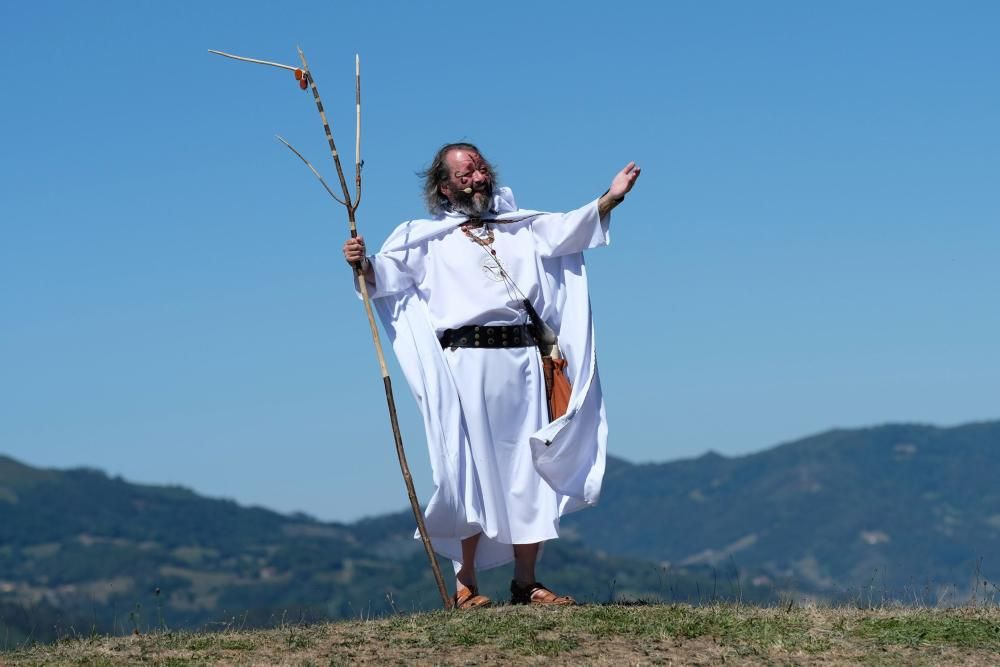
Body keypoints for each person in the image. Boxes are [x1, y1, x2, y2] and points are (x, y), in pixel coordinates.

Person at [342, 143, 640, 608]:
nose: (478, 178)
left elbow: (570, 229)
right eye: (465, 174)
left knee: (530, 469)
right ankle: (466, 586)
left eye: (481, 169)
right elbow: (383, 277)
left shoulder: (522, 227)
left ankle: (527, 582)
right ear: (445, 188)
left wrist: (611, 197)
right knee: (466, 471)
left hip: (524, 364)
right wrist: (360, 261)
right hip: (464, 368)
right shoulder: (424, 239)